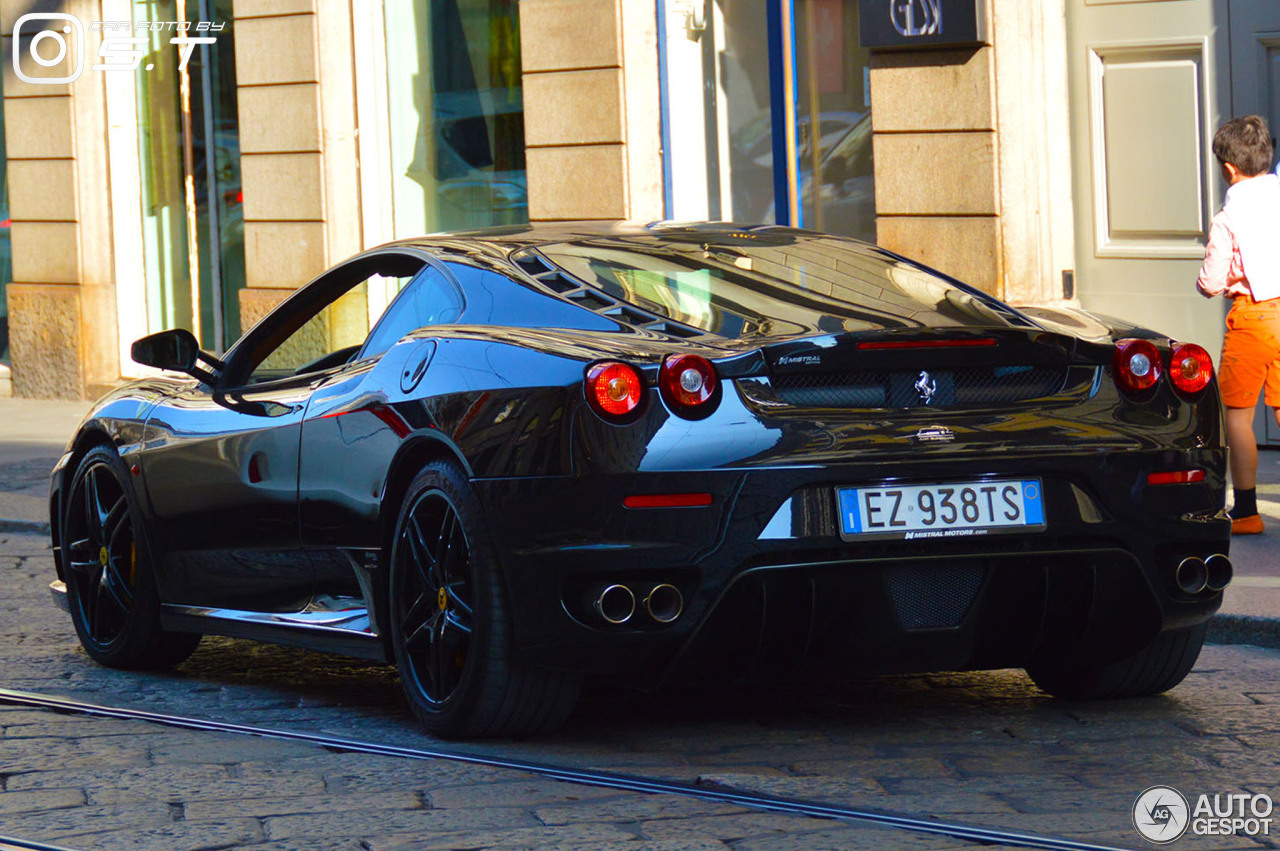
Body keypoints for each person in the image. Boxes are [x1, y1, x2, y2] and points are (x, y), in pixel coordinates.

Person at [1197, 115, 1280, 534]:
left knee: (1239, 416)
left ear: (1229, 168)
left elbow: (1211, 282)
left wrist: (1211, 281)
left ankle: (1246, 512)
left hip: (1254, 316)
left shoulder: (1228, 217)